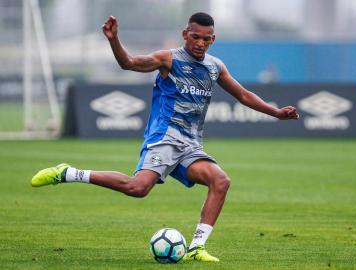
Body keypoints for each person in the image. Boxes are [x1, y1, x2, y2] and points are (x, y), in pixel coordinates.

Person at [31, 12, 299, 262]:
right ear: (185, 34)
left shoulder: (215, 67)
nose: (200, 43)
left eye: (206, 39)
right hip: (165, 138)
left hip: (191, 144)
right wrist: (114, 41)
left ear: (213, 40)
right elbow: (129, 63)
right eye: (195, 37)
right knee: (138, 188)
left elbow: (243, 95)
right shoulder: (168, 59)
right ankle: (68, 173)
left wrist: (275, 112)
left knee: (220, 180)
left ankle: (196, 248)